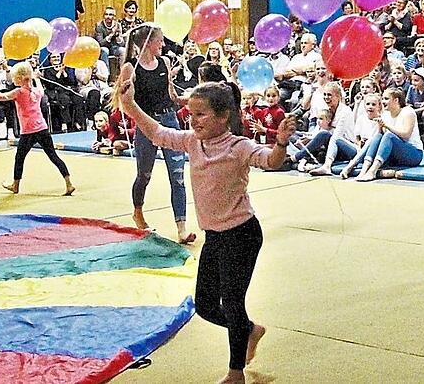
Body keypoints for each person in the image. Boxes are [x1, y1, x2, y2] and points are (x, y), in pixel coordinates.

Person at [120, 79, 296, 384]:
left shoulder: (239, 147)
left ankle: (235, 372)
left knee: (232, 302)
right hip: (214, 236)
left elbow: (270, 161)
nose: (193, 119)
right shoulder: (192, 142)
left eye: (201, 114)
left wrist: (280, 142)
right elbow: (159, 134)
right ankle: (250, 329)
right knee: (204, 305)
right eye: (191, 113)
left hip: (242, 235)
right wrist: (131, 106)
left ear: (223, 116)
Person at [118, 24, 194, 244]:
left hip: (169, 119)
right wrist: (125, 91)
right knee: (145, 174)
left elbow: (169, 92)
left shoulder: (165, 62)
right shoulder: (130, 68)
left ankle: (181, 227)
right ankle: (138, 211)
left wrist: (183, 100)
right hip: (147, 124)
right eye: (160, 40)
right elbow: (125, 100)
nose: (163, 44)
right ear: (147, 43)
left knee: (177, 176)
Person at [0, 62, 74, 196]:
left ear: (20, 78)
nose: (13, 80)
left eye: (15, 77)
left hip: (28, 131)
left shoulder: (19, 92)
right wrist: (36, 78)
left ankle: (15, 185)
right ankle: (68, 183)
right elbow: (41, 89)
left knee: (19, 158)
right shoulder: (37, 91)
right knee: (53, 156)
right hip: (42, 128)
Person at [348, 87, 423, 182]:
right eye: (383, 98)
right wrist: (380, 127)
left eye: (386, 99)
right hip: (396, 154)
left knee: (389, 136)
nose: (383, 101)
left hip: (414, 154)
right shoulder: (386, 114)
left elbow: (406, 135)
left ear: (396, 100)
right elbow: (380, 137)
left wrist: (387, 126)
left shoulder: (408, 112)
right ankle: (363, 168)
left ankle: (373, 170)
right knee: (378, 136)